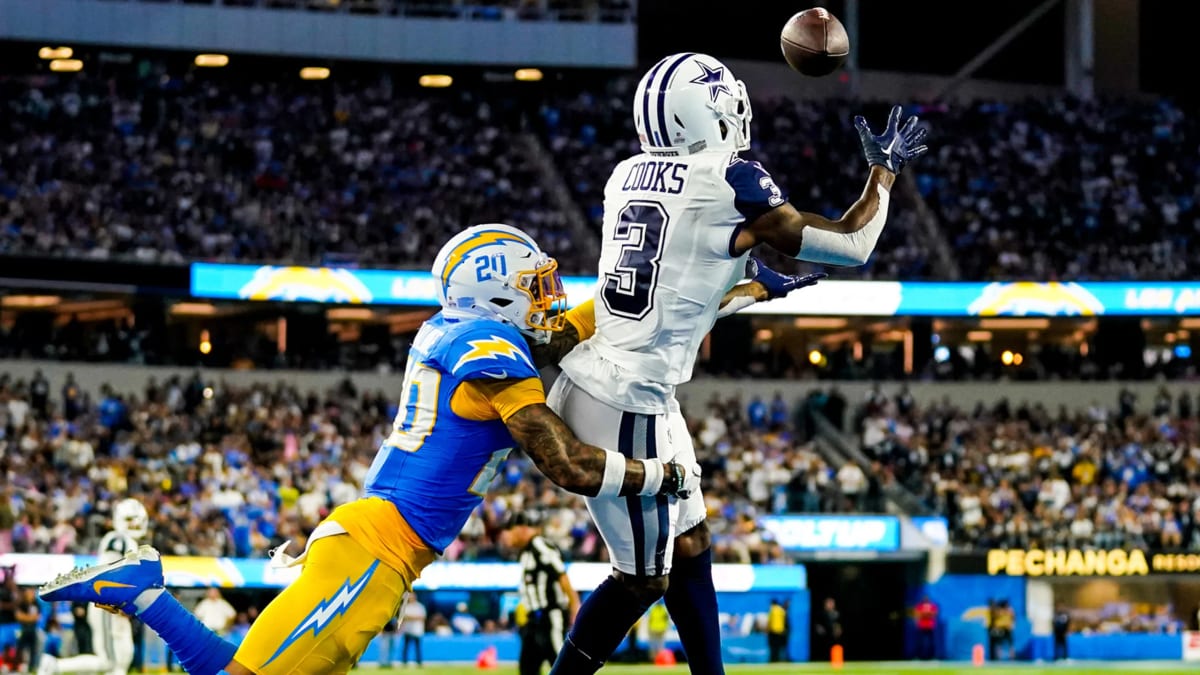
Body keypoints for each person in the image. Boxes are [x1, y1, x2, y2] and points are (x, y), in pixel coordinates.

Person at [37, 223, 699, 675]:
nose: (547, 298)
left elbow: (559, 334)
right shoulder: (494, 358)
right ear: (495, 294)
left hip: (367, 538)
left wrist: (644, 296)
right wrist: (661, 474)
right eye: (535, 286)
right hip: (374, 555)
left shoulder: (462, 333)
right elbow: (569, 465)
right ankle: (141, 591)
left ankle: (142, 592)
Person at [540, 52, 928, 675]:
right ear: (710, 113)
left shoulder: (625, 176)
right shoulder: (733, 180)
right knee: (641, 579)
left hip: (613, 379)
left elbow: (679, 288)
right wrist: (881, 174)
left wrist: (754, 287)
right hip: (626, 401)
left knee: (692, 545)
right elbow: (852, 246)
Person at [38, 499, 149, 675]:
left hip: (113, 605)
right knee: (111, 662)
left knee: (118, 659)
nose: (134, 524)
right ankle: (54, 666)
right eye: (129, 520)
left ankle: (55, 666)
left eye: (136, 520)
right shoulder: (118, 540)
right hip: (107, 604)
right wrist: (117, 601)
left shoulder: (126, 541)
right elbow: (110, 574)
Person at [499, 512, 580, 675]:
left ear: (520, 529)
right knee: (527, 668)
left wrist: (575, 606)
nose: (507, 540)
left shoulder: (539, 546)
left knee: (559, 662)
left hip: (550, 615)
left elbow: (561, 575)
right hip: (533, 621)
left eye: (509, 534)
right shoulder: (524, 552)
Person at [813, 598, 842, 662]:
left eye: (832, 603)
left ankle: (835, 660)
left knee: (835, 648)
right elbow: (817, 624)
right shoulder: (821, 613)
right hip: (823, 636)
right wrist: (819, 629)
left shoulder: (836, 613)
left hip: (833, 635)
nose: (831, 605)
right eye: (829, 603)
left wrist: (838, 629)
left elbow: (838, 624)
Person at [400, 595, 425, 667]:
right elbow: (403, 617)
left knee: (417, 648)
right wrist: (414, 617)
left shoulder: (420, 606)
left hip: (417, 631)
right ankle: (404, 662)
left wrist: (410, 617)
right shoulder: (405, 606)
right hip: (407, 630)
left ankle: (419, 662)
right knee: (406, 647)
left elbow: (422, 617)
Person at [913, 595, 938, 660]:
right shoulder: (919, 606)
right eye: (925, 598)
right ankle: (919, 657)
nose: (926, 600)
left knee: (931, 643)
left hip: (930, 626)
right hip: (921, 626)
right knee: (919, 642)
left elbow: (934, 615)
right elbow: (917, 615)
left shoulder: (932, 606)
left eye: (927, 598)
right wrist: (927, 614)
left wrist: (924, 614)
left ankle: (932, 657)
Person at [766, 599, 789, 663]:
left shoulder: (772, 610)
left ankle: (773, 660)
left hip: (773, 631)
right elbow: (785, 621)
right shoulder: (782, 610)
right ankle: (781, 659)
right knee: (780, 647)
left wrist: (767, 630)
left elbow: (769, 621)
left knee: (773, 647)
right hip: (781, 631)